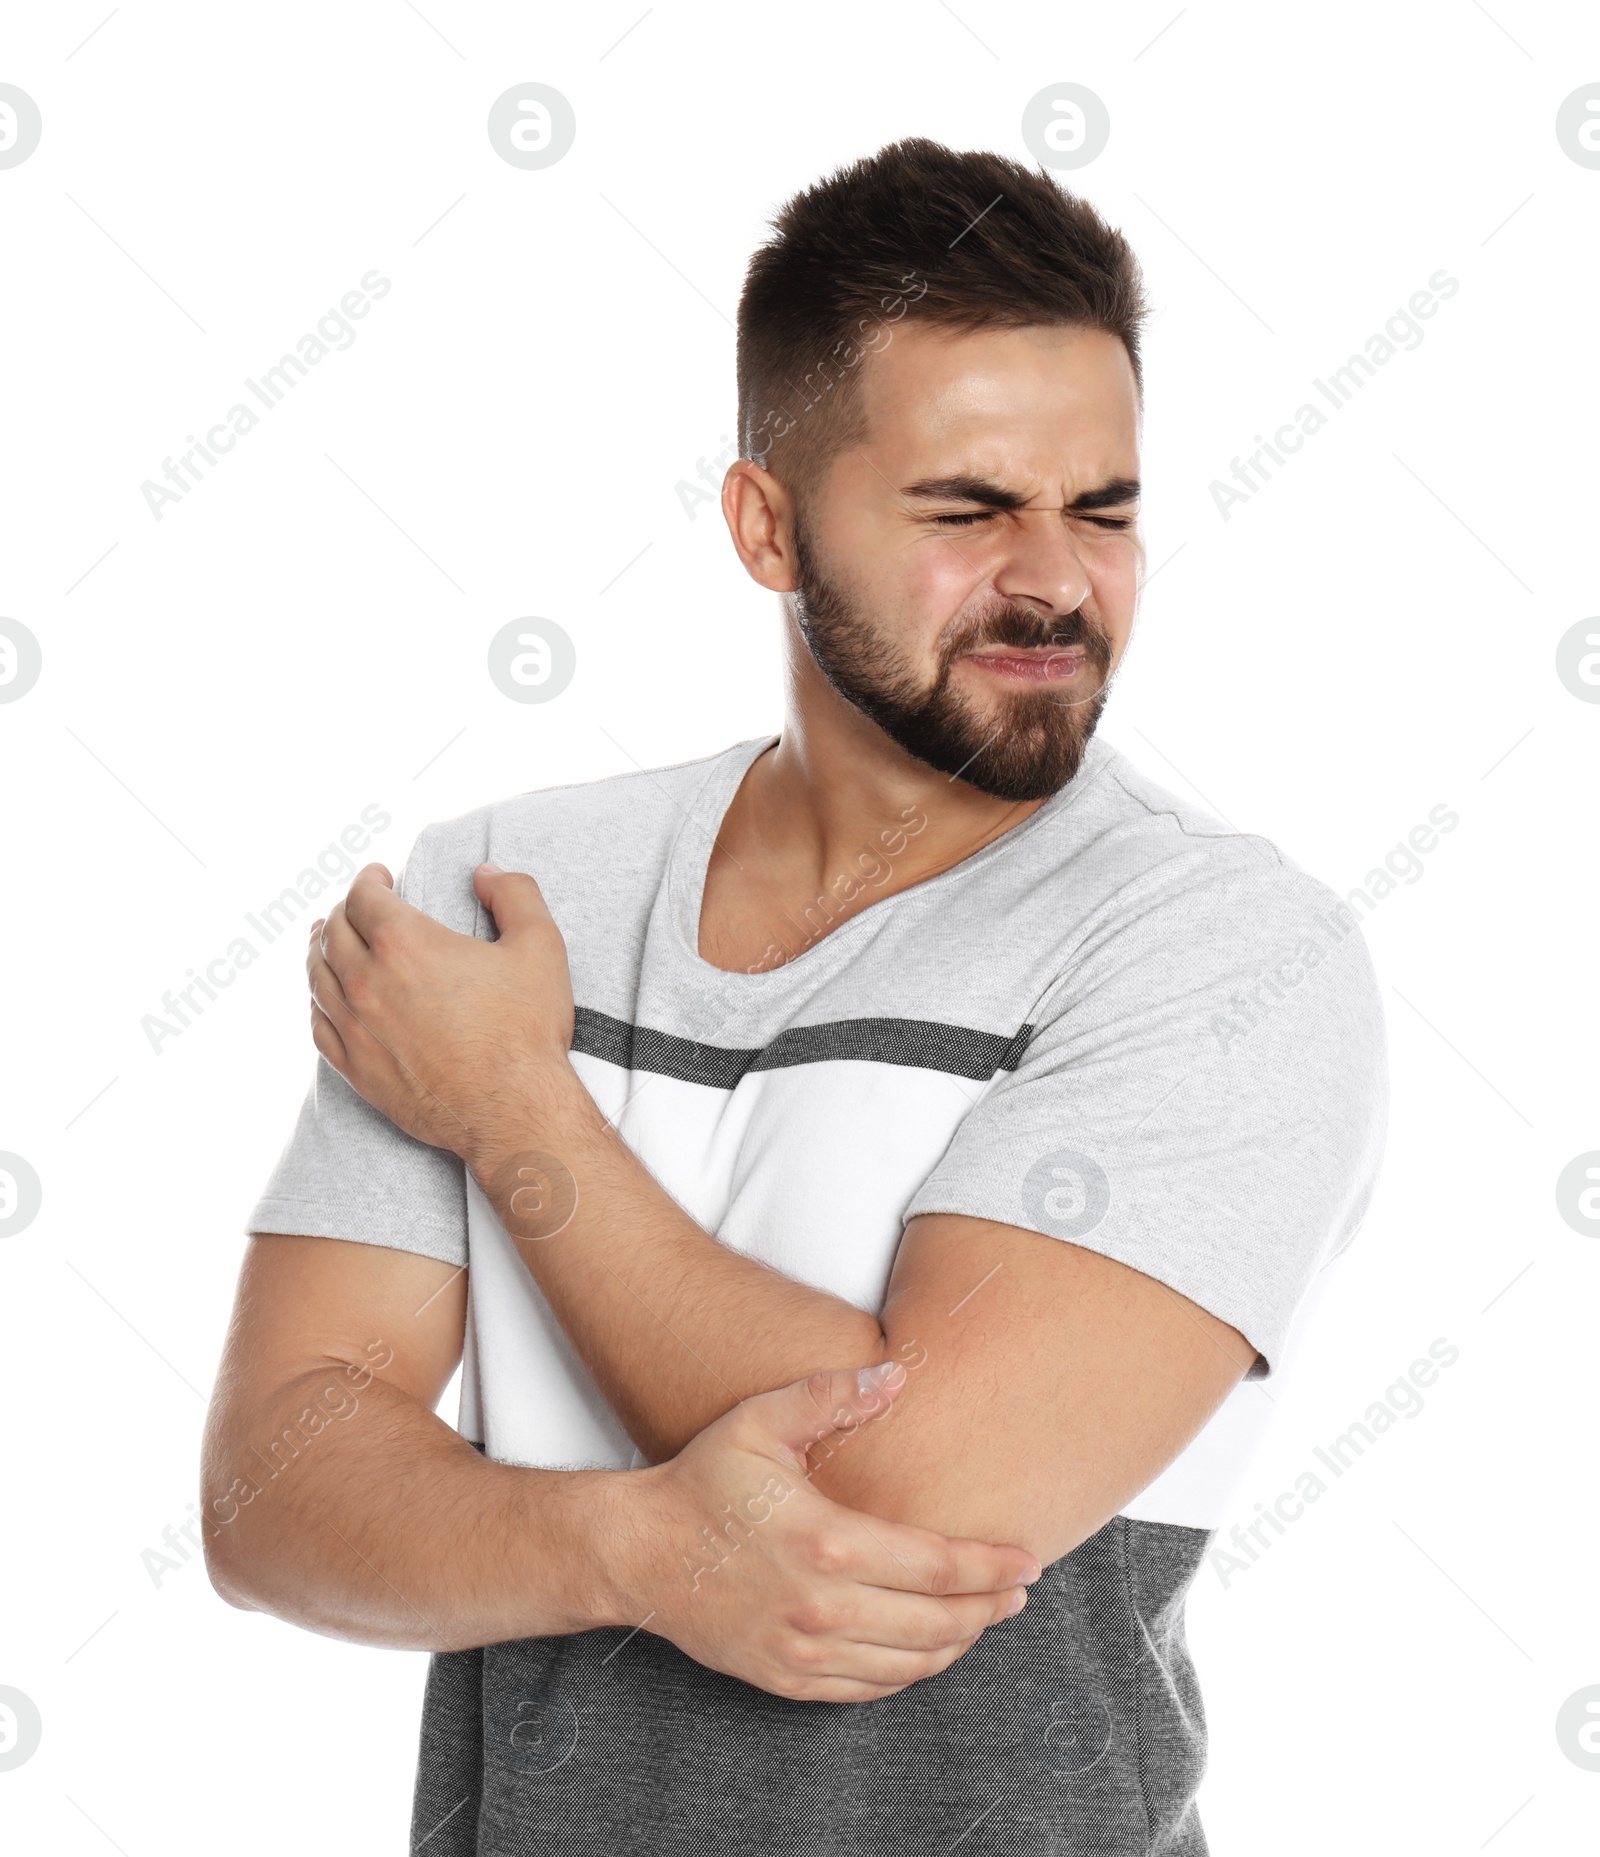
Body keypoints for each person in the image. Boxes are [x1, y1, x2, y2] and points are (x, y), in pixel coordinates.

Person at [204, 138, 1387, 1854]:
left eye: (1106, 508)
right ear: (768, 523)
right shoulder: (514, 889)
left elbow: (895, 1497)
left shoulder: (1220, 950)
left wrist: (516, 1107)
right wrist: (637, 1551)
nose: (1056, 578)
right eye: (968, 510)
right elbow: (272, 1489)